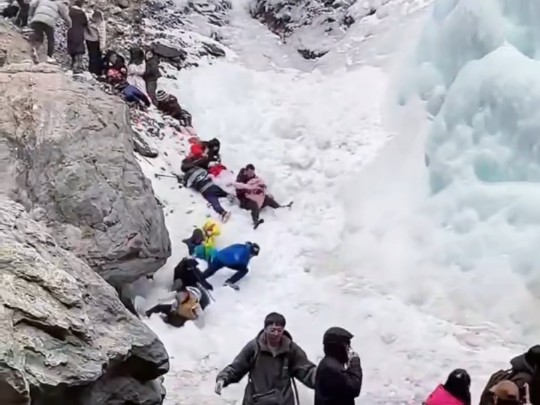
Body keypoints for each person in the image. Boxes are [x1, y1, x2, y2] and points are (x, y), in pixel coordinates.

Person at [215, 312, 316, 404]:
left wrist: (322, 377)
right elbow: (237, 367)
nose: (276, 334)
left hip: (283, 401)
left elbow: (305, 369)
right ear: (265, 330)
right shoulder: (254, 347)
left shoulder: (290, 349)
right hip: (257, 400)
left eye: (279, 330)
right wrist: (223, 379)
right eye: (272, 330)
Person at [314, 327, 363, 405]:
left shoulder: (329, 364)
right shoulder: (331, 368)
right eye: (347, 346)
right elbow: (354, 388)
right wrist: (355, 362)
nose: (349, 350)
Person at [235, 164, 292, 229]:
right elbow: (238, 191)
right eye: (250, 172)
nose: (252, 174)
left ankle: (280, 208)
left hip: (256, 197)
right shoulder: (240, 179)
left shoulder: (254, 178)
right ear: (246, 171)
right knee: (254, 204)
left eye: (253, 172)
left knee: (267, 199)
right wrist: (247, 189)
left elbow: (261, 186)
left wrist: (262, 189)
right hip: (245, 201)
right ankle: (255, 220)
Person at [66, 0, 87, 74]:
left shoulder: (69, 12)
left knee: (72, 48)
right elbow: (85, 23)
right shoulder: (82, 13)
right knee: (79, 49)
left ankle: (73, 64)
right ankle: (79, 66)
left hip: (71, 32)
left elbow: (66, 20)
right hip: (79, 33)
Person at [84, 9, 106, 76]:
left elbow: (102, 35)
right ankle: (92, 71)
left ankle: (97, 72)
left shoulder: (101, 23)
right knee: (92, 57)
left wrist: (102, 46)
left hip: (96, 40)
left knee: (97, 57)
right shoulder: (88, 17)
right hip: (89, 40)